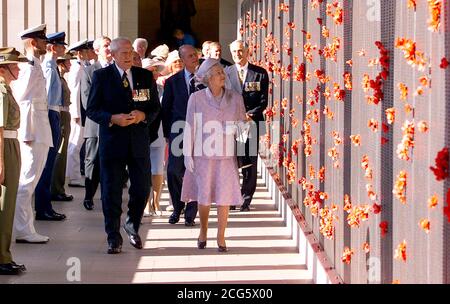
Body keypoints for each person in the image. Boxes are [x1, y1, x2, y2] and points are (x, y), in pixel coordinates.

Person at [86, 37, 160, 254]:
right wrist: (111, 118)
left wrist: (143, 115)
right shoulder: (101, 77)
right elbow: (92, 109)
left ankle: (132, 225)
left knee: (141, 188)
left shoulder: (145, 76)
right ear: (114, 55)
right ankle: (113, 236)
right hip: (112, 142)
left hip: (138, 142)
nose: (129, 56)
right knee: (111, 191)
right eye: (124, 53)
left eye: (131, 53)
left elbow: (155, 107)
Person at [181, 58, 246, 252]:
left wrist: (235, 129)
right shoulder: (196, 98)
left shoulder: (235, 97)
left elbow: (244, 128)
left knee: (224, 196)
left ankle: (221, 236)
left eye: (222, 72)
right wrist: (187, 154)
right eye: (218, 73)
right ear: (208, 78)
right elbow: (189, 126)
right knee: (204, 196)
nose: (222, 75)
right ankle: (203, 231)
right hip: (203, 154)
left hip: (226, 155)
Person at [11, 24, 52, 243]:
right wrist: (25, 133)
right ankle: (23, 230)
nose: (47, 44)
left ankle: (26, 226)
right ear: (33, 43)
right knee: (26, 182)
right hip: (32, 132)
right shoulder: (28, 67)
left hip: (39, 130)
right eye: (43, 40)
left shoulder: (35, 64)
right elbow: (22, 101)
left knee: (31, 181)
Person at [225, 40, 269, 212]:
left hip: (251, 123)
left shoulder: (259, 73)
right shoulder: (225, 73)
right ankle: (231, 196)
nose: (238, 54)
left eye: (241, 51)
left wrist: (249, 115)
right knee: (231, 161)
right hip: (230, 124)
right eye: (234, 51)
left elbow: (263, 100)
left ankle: (245, 199)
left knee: (249, 163)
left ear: (247, 51)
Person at [162, 44, 201, 226]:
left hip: (201, 132)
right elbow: (166, 109)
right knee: (173, 171)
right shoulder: (172, 82)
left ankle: (191, 214)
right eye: (190, 56)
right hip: (178, 131)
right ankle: (178, 207)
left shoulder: (206, 79)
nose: (194, 58)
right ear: (182, 59)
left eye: (195, 55)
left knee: (195, 172)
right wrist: (167, 134)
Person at [0, 47, 29, 275]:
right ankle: (2, 257)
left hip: (11, 144)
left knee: (7, 204)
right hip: (5, 146)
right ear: (3, 68)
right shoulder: (0, 90)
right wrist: (0, 161)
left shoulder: (6, 89)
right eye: (14, 65)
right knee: (5, 205)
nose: (17, 68)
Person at [34, 31, 68, 221]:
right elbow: (46, 97)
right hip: (50, 112)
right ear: (52, 47)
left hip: (54, 112)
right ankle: (43, 207)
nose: (64, 49)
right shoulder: (48, 66)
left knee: (50, 162)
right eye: (61, 46)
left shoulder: (52, 65)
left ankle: (45, 205)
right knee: (47, 163)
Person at [80, 36, 112, 211]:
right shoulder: (89, 71)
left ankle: (107, 196)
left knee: (111, 162)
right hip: (96, 124)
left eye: (110, 45)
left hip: (114, 124)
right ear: (97, 50)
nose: (108, 48)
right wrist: (106, 116)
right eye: (105, 46)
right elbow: (87, 100)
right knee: (92, 160)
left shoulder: (117, 70)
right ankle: (88, 196)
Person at [67, 39, 90, 187]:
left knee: (77, 143)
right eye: (86, 50)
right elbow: (74, 90)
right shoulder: (76, 68)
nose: (89, 53)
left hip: (81, 110)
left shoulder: (81, 66)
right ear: (80, 53)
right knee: (75, 144)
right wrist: (75, 112)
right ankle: (73, 176)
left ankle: (73, 174)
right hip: (78, 111)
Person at [51, 52, 74, 202]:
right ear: (61, 63)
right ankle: (56, 189)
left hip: (64, 115)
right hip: (61, 116)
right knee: (59, 154)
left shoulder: (61, 79)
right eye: (67, 62)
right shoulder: (57, 79)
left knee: (62, 154)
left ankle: (58, 187)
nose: (70, 64)